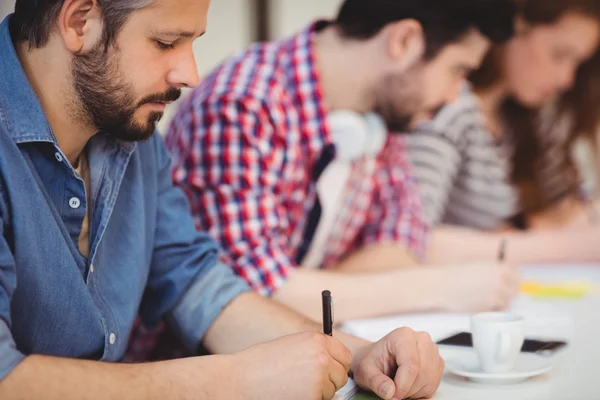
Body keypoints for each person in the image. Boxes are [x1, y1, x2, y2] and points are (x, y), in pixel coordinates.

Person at [0, 1, 446, 399]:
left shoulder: (129, 132)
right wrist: (235, 380)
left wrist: (359, 354)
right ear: (79, 22)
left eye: (192, 42)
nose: (190, 75)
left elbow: (196, 283)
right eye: (166, 42)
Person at [163, 0, 519, 325]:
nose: (454, 95)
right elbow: (247, 301)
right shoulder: (240, 105)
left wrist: (304, 289)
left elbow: (402, 240)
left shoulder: (381, 114)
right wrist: (438, 288)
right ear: (404, 41)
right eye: (457, 70)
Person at [405, 0, 600, 266]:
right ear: (514, 30)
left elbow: (568, 209)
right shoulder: (449, 109)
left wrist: (523, 229)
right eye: (559, 55)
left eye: (577, 63)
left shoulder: (523, 118)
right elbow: (407, 241)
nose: (566, 78)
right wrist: (559, 243)